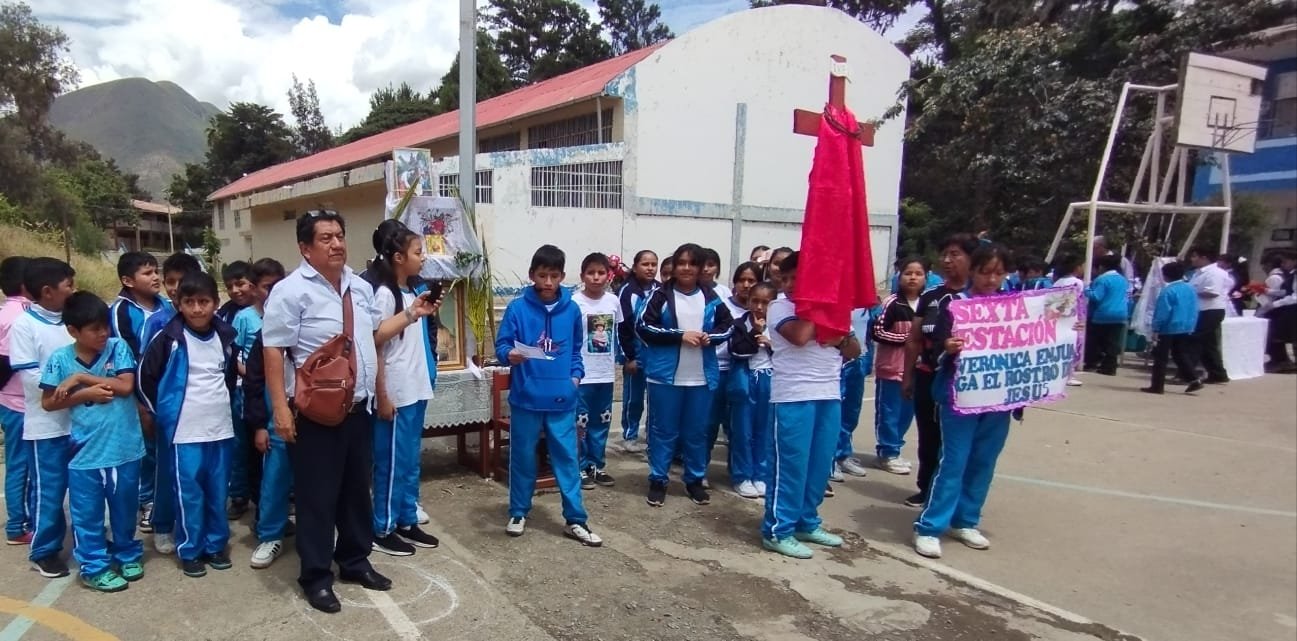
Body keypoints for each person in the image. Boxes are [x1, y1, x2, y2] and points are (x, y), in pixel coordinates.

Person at [264, 211, 420, 612]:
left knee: (355, 492)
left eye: (339, 235)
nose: (336, 244)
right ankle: (316, 576)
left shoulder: (359, 286)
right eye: (326, 238)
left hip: (357, 408)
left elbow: (372, 337)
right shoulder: (290, 290)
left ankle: (354, 560)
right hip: (314, 414)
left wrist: (410, 314)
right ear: (305, 248)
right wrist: (280, 409)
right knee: (317, 498)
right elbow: (274, 350)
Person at [913, 244, 1021, 559]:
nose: (991, 279)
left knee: (984, 461)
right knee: (953, 461)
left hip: (997, 398)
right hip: (959, 397)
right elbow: (935, 350)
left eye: (999, 273)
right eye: (985, 272)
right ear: (973, 271)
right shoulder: (955, 305)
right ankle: (930, 526)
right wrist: (948, 346)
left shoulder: (1012, 306)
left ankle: (966, 519)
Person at [495, 245, 602, 547]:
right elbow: (502, 346)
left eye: (554, 276)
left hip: (562, 399)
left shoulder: (572, 310)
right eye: (542, 275)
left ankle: (576, 520)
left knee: (567, 459)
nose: (548, 282)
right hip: (527, 398)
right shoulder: (517, 308)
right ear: (532, 275)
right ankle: (518, 511)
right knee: (522, 458)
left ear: (563, 276)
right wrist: (510, 355)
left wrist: (575, 379)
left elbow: (577, 350)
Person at [39, 292, 145, 592]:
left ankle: (126, 553)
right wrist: (87, 395)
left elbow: (125, 387)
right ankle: (94, 566)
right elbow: (48, 402)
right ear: (73, 331)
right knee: (88, 514)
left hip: (125, 448)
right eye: (94, 329)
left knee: (125, 508)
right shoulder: (61, 359)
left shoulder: (117, 348)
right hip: (85, 454)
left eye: (104, 326)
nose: (103, 334)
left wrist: (82, 380)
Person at [137, 273, 238, 579]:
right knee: (189, 493)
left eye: (204, 302)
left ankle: (215, 545)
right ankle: (190, 548)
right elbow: (144, 379)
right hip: (184, 431)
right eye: (189, 302)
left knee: (218, 490)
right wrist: (161, 415)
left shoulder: (225, 336)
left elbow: (229, 378)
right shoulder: (168, 338)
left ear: (215, 304)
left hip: (220, 428)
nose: (197, 309)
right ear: (178, 304)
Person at [761, 251, 860, 559]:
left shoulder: (834, 308)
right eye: (785, 279)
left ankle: (806, 521)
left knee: (818, 467)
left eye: (797, 279)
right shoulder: (779, 307)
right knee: (790, 466)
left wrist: (839, 335)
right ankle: (778, 529)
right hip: (793, 396)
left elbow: (854, 349)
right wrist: (825, 315)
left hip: (828, 394)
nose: (789, 285)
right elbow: (802, 336)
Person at [638, 244, 735, 508]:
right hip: (664, 377)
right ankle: (658, 480)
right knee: (663, 430)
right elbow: (643, 326)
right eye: (681, 263)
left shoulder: (711, 296)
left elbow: (728, 327)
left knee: (696, 432)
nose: (686, 268)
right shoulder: (660, 295)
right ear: (674, 267)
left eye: (693, 264)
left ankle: (694, 480)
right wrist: (679, 336)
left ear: (701, 267)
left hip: (701, 377)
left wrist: (709, 337)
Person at [369, 225, 443, 556]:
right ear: (399, 258)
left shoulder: (413, 290)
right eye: (417, 252)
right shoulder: (386, 293)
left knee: (410, 461)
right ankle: (381, 527)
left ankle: (406, 518)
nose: (422, 257)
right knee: (391, 463)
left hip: (415, 388)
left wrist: (421, 310)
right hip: (395, 392)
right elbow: (375, 339)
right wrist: (382, 394)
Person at [9, 257, 77, 577]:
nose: (73, 291)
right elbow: (29, 377)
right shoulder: (25, 325)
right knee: (49, 491)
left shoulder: (72, 320)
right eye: (68, 286)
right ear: (48, 291)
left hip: (80, 421)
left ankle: (86, 540)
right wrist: (72, 386)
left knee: (83, 486)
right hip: (47, 425)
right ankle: (44, 550)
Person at [902, 234, 977, 509]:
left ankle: (958, 497)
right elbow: (914, 339)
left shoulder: (982, 299)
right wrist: (907, 376)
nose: (947, 260)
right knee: (929, 435)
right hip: (929, 376)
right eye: (944, 254)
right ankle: (927, 488)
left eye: (955, 254)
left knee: (958, 443)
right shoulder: (932, 297)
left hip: (968, 383)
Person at [135, 251, 202, 546]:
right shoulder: (158, 323)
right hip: (170, 414)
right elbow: (144, 372)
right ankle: (163, 524)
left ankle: (197, 526)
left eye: (181, 281)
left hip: (201, 412)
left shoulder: (206, 320)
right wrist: (148, 409)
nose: (174, 288)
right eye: (170, 282)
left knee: (196, 474)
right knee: (166, 470)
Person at [233, 258, 292, 569]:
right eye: (271, 288)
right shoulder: (263, 332)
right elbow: (254, 383)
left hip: (312, 413)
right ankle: (270, 533)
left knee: (315, 478)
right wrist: (259, 425)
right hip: (275, 418)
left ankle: (317, 529)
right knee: (275, 477)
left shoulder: (303, 322)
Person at [108, 252, 171, 540]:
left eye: (156, 271)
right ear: (127, 280)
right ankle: (147, 502)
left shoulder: (166, 307)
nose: (156, 277)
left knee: (165, 449)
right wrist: (139, 403)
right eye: (147, 273)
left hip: (167, 392)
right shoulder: (121, 311)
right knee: (145, 451)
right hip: (139, 394)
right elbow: (126, 359)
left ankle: (166, 501)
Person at [572, 253, 623, 490]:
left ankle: (596, 464)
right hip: (582, 375)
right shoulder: (574, 302)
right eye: (590, 272)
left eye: (601, 272)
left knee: (601, 420)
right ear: (582, 275)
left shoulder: (613, 301)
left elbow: (619, 335)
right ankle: (579, 467)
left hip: (605, 373)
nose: (596, 277)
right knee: (580, 422)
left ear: (608, 275)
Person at [872, 257, 927, 475]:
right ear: (899, 275)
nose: (913, 277)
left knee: (907, 412)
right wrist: (908, 339)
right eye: (908, 273)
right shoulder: (892, 303)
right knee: (889, 412)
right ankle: (887, 452)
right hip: (891, 369)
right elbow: (877, 331)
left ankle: (896, 448)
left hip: (916, 370)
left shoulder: (928, 303)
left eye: (918, 273)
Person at [710, 262, 760, 481]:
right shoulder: (721, 305)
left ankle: (740, 472)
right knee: (709, 423)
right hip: (719, 369)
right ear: (734, 282)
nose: (746, 285)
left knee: (739, 427)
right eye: (742, 280)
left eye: (752, 281)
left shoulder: (762, 309)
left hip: (745, 372)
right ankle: (699, 470)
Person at [727, 281, 776, 499]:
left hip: (769, 380)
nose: (759, 306)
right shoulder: (739, 324)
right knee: (742, 429)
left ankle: (760, 474)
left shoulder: (778, 326)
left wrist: (771, 344)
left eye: (765, 302)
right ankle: (742, 475)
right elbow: (736, 351)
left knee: (764, 429)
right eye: (755, 301)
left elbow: (787, 355)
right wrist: (755, 336)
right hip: (745, 379)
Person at [216, 261, 254, 519]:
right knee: (238, 444)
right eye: (230, 286)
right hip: (235, 389)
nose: (235, 290)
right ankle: (239, 495)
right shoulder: (224, 315)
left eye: (240, 284)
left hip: (263, 388)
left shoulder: (267, 309)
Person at [0, 256, 33, 546]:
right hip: (18, 403)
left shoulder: (6, 312)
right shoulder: (19, 317)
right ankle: (17, 525)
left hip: (14, 401)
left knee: (23, 464)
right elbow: (7, 361)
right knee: (22, 465)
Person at [832, 301, 881, 483]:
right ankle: (830, 459)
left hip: (858, 359)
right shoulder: (835, 296)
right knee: (835, 413)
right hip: (838, 362)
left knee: (851, 413)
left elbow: (869, 331)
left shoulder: (866, 301)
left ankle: (843, 455)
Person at [617, 250, 658, 453]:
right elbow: (623, 327)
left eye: (653, 264)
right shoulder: (627, 292)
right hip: (636, 353)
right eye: (645, 264)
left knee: (656, 397)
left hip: (657, 356)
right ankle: (630, 434)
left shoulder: (660, 290)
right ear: (635, 267)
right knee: (633, 397)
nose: (650, 268)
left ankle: (652, 434)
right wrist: (629, 357)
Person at [1142, 262, 1203, 394]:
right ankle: (1193, 378)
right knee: (1180, 354)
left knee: (1161, 357)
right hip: (1186, 326)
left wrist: (1156, 328)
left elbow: (1163, 312)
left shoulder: (1168, 291)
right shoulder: (1190, 289)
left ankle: (1157, 385)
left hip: (1169, 327)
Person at [1186, 246, 1231, 384]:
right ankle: (1218, 373)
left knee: (1194, 340)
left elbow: (1212, 292)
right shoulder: (1197, 273)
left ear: (1204, 258)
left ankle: (1187, 373)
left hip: (1211, 310)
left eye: (1195, 256)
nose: (1192, 259)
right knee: (1208, 344)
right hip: (1201, 310)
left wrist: (1190, 292)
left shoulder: (1215, 273)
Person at [1083, 254, 1129, 376]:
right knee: (1113, 342)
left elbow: (1096, 296)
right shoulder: (1122, 279)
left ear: (1102, 267)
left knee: (1097, 341)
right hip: (1121, 314)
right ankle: (1110, 366)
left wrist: (1086, 289)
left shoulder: (1102, 280)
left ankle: (1093, 363)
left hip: (1103, 314)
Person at [1261, 251, 1296, 371]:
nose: (1283, 264)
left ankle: (1284, 363)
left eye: (1286, 262)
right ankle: (1282, 361)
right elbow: (1286, 292)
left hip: (1292, 308)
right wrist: (1267, 291)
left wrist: (1275, 304)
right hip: (1288, 307)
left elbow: (1294, 296)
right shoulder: (1290, 274)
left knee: (1284, 334)